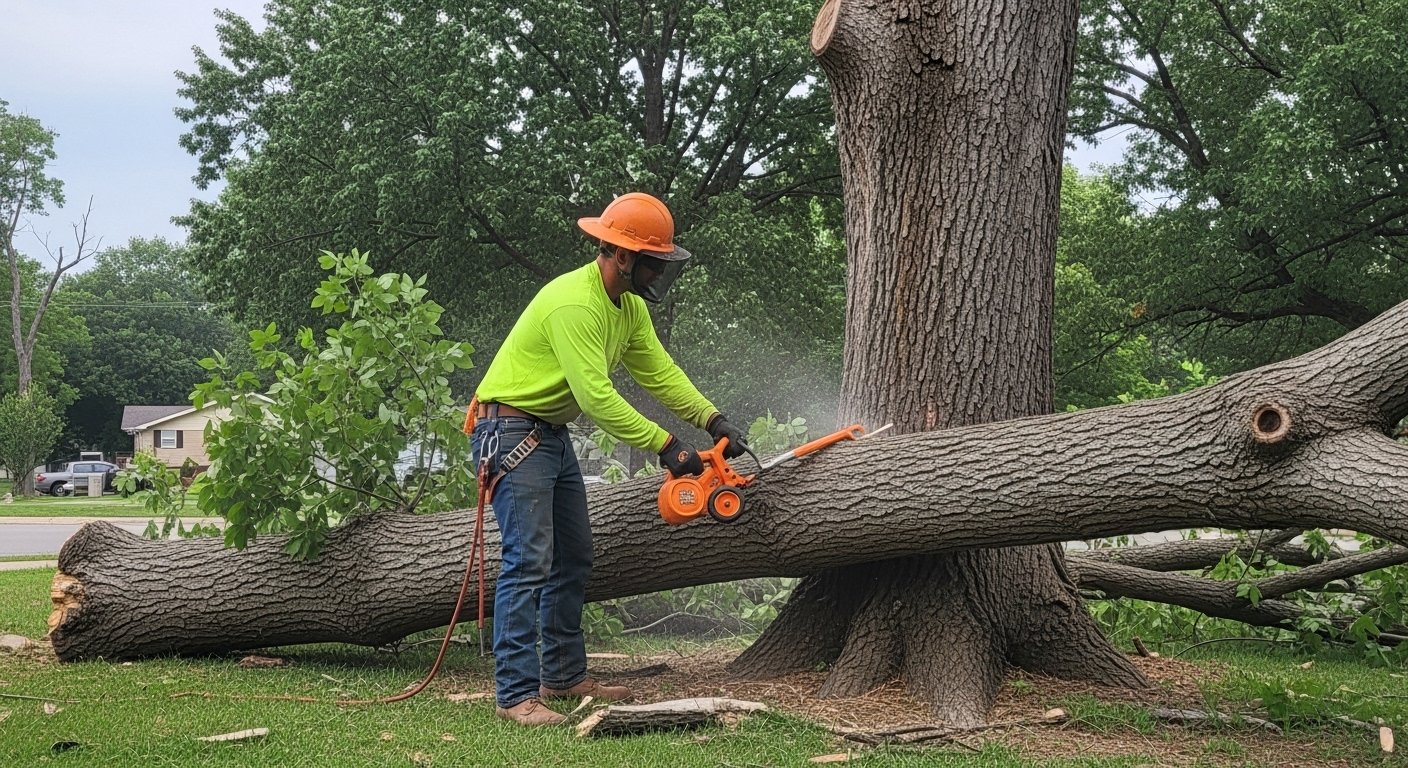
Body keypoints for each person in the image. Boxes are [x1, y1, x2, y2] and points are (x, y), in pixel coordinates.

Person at [469, 192, 751, 726]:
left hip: (549, 434)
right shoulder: (575, 304)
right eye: (653, 261)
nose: (659, 272)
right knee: (528, 560)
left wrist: (712, 420)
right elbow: (597, 398)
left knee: (573, 555)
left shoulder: (630, 308)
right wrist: (666, 446)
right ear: (621, 255)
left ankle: (562, 675)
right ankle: (515, 695)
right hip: (511, 431)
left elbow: (659, 373)